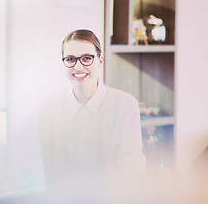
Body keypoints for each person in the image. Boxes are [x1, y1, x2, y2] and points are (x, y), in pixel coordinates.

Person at [38, 29, 145, 203]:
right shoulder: (49, 108)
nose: (78, 67)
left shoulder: (124, 104)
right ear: (63, 63)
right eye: (70, 59)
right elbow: (47, 171)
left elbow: (132, 168)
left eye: (87, 58)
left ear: (100, 60)